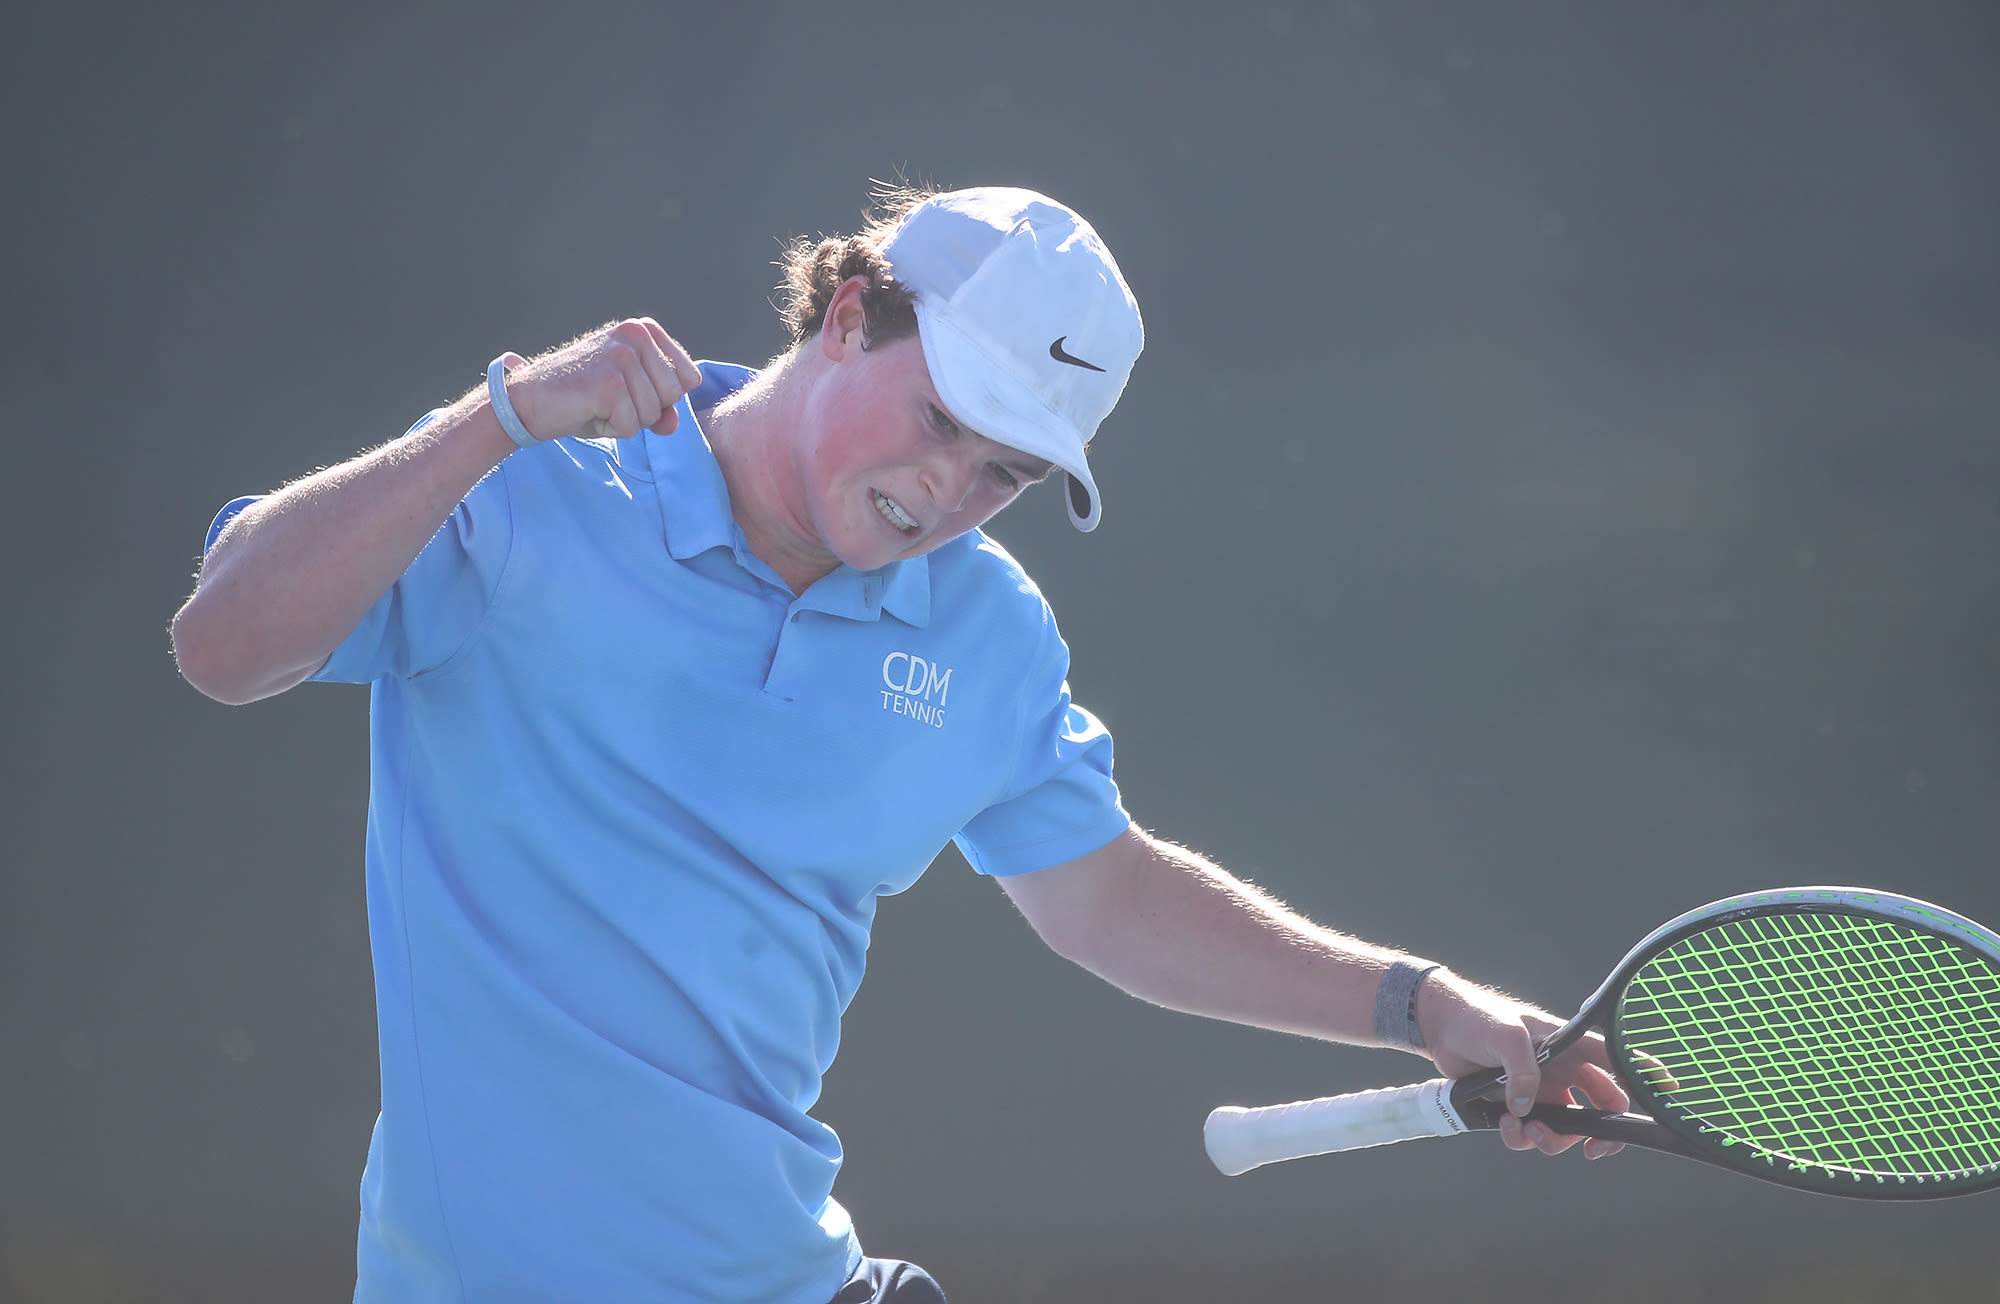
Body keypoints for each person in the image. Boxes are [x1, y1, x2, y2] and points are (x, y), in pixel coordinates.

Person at [171, 185, 1628, 1304]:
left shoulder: (989, 635)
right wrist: (491, 422)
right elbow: (223, 647)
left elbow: (1110, 896)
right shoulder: (535, 487)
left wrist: (1423, 1002)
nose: (950, 488)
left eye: (1005, 469)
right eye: (943, 419)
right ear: (850, 310)